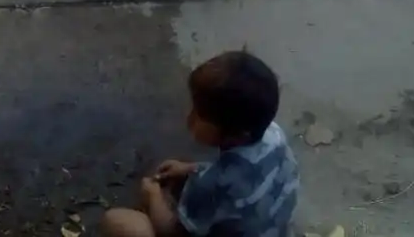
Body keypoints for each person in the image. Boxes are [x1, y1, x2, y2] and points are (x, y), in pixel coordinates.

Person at [102, 51, 298, 237]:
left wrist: (153, 196)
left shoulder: (210, 184)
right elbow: (244, 176)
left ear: (237, 133)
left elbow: (172, 233)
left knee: (118, 221)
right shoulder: (274, 135)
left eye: (199, 116)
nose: (189, 119)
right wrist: (190, 169)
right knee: (183, 187)